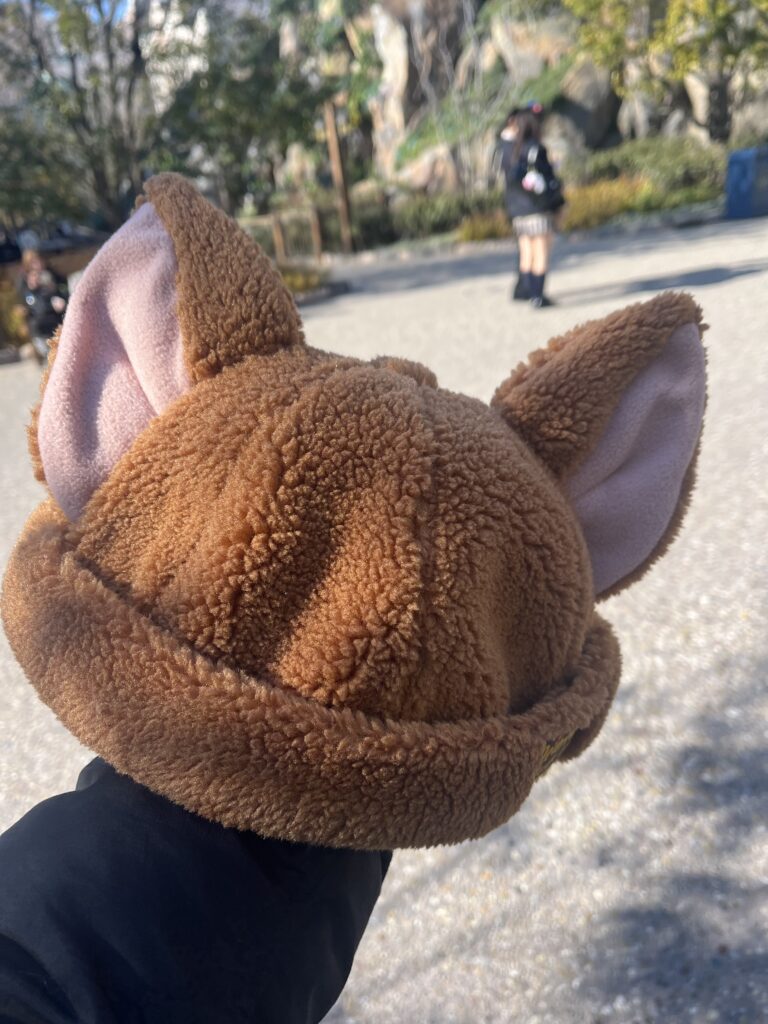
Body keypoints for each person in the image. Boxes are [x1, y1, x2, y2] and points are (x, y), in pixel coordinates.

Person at [500, 104, 564, 308]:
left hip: (517, 210)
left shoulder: (509, 149)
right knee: (541, 251)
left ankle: (526, 291)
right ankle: (538, 295)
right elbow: (548, 177)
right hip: (537, 208)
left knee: (526, 251)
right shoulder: (536, 148)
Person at [19, 250, 68, 363]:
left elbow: (64, 290)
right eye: (34, 263)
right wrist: (32, 289)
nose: (38, 265)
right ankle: (39, 352)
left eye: (39, 261)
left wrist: (59, 296)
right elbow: (29, 303)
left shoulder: (54, 276)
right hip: (39, 323)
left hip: (57, 318)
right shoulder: (25, 282)